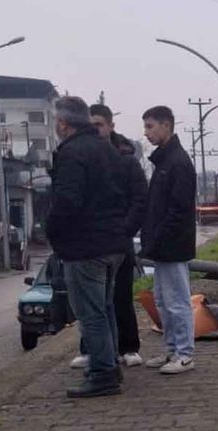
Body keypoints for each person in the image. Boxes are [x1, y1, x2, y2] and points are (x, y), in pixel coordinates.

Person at [46, 96, 127, 398]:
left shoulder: (71, 154)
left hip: (85, 247)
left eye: (56, 121)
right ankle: (110, 366)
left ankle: (103, 373)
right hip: (113, 244)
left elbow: (67, 201)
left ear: (63, 123)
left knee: (91, 314)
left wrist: (50, 230)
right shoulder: (106, 149)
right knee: (104, 310)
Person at [66, 104, 146, 369]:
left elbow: (139, 200)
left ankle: (128, 346)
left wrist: (126, 230)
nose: (95, 129)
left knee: (120, 296)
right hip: (93, 240)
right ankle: (93, 350)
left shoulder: (125, 159)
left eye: (99, 124)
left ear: (111, 125)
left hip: (118, 239)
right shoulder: (84, 156)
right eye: (92, 124)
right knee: (93, 302)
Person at [140, 106, 197, 374]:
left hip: (173, 246)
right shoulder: (165, 161)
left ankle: (184, 354)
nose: (147, 133)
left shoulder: (178, 163)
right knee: (163, 300)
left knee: (177, 301)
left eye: (151, 126)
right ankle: (173, 349)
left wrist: (159, 235)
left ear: (166, 125)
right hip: (163, 245)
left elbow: (178, 209)